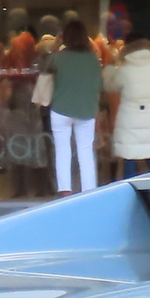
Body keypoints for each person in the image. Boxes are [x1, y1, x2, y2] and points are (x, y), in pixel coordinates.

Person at [47, 12, 104, 196]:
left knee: (62, 151)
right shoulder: (93, 60)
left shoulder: (58, 58)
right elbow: (99, 86)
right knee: (86, 152)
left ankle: (65, 190)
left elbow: (43, 71)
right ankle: (89, 191)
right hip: (86, 110)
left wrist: (55, 47)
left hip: (60, 109)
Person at [110, 40, 150, 178]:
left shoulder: (123, 70)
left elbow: (111, 87)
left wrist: (109, 71)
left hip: (128, 117)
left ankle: (129, 188)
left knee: (129, 155)